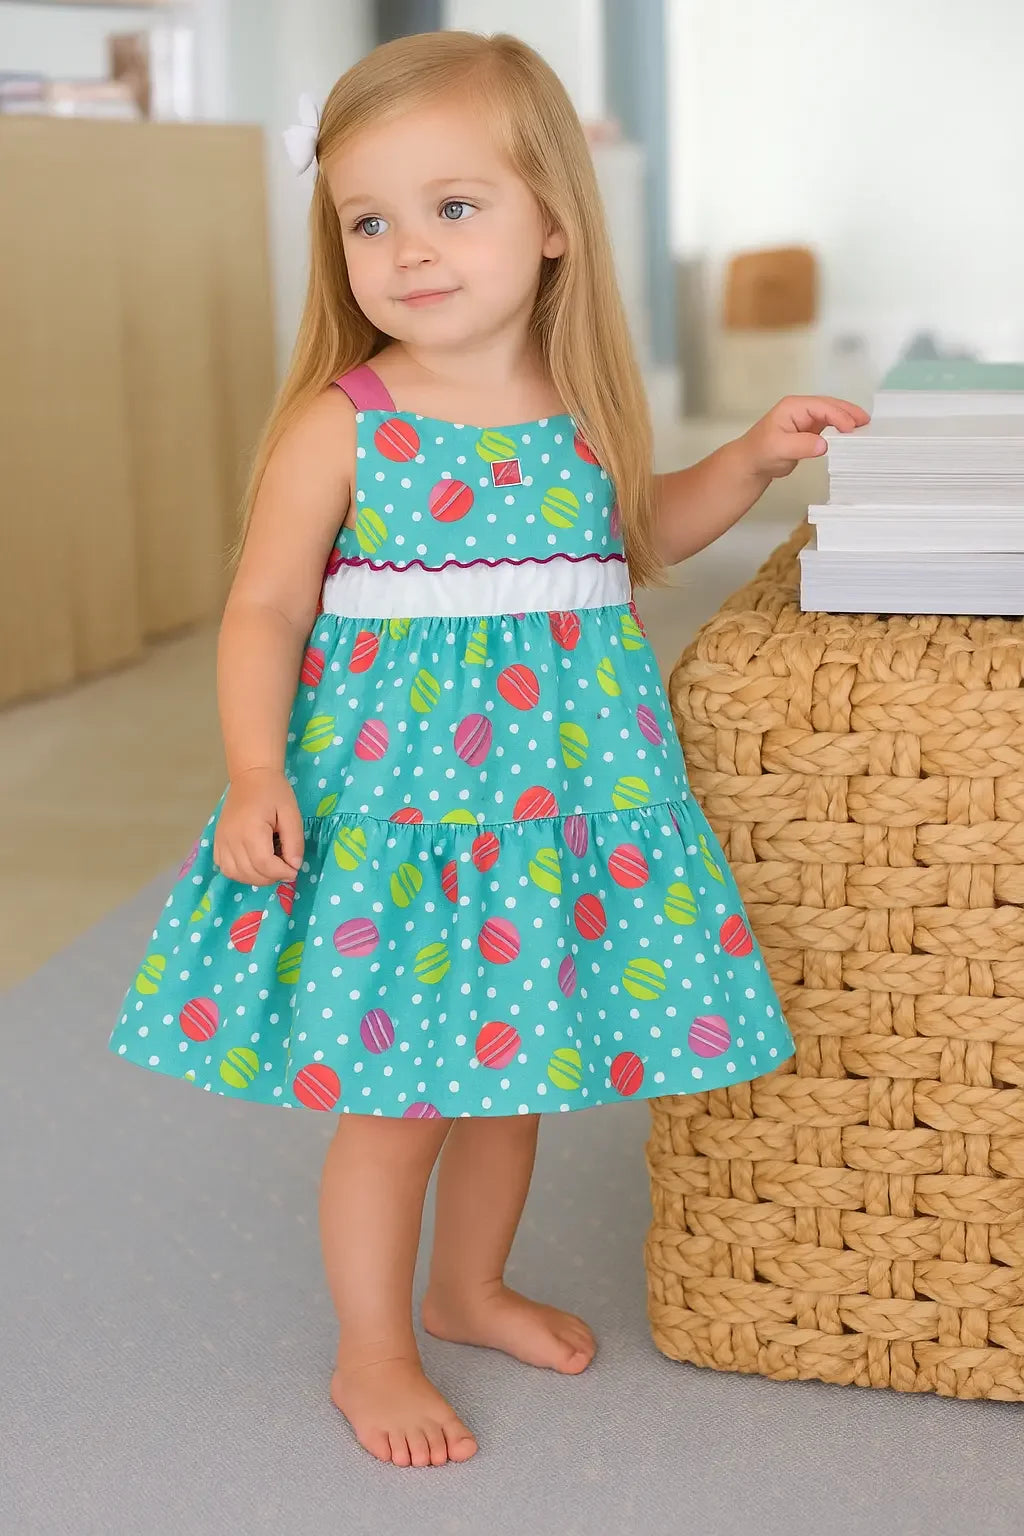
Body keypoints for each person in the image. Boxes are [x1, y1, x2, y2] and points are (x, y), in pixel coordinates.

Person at [107, 30, 868, 1469]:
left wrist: (755, 457)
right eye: (368, 220)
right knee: (400, 1105)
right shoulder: (351, 424)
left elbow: (638, 535)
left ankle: (465, 1288)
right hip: (400, 825)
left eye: (454, 207)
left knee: (516, 1080)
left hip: (555, 814)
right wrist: (257, 772)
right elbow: (265, 605)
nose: (406, 250)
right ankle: (372, 1347)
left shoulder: (580, 419)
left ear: (555, 224)